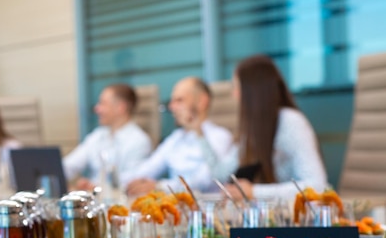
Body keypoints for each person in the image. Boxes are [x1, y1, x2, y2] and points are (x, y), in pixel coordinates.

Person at [214, 55, 327, 199]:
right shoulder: (253, 129)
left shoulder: (290, 122)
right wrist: (199, 128)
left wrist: (254, 192)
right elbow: (221, 173)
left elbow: (317, 185)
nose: (233, 95)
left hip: (301, 216)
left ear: (252, 92)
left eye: (237, 88)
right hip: (273, 214)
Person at [124, 77, 233, 196]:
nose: (172, 107)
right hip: (177, 207)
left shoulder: (220, 137)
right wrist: (122, 180)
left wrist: (160, 186)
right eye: (172, 101)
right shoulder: (176, 138)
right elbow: (147, 169)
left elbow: (205, 181)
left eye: (179, 100)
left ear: (202, 101)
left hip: (208, 209)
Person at [63, 83, 152, 191]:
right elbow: (70, 165)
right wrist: (55, 176)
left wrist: (96, 187)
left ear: (120, 107)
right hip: (94, 201)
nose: (97, 109)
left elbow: (131, 181)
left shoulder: (139, 141)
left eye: (103, 103)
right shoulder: (98, 135)